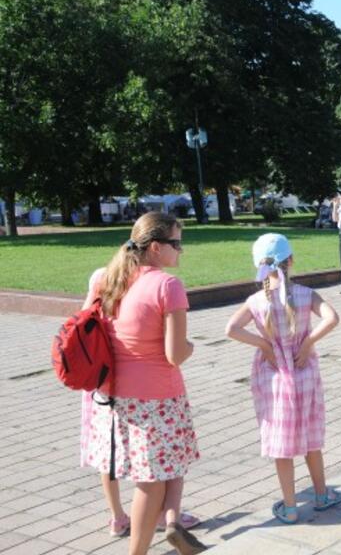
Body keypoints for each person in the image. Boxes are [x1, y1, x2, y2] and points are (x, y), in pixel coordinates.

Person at [80, 212, 204, 555]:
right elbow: (175, 354)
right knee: (152, 481)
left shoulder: (108, 279)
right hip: (159, 397)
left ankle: (174, 523)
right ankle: (149, 542)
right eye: (176, 244)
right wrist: (192, 346)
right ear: (154, 247)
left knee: (167, 466)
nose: (181, 251)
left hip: (114, 397)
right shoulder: (168, 285)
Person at [225, 233, 341, 525]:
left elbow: (231, 329)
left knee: (282, 443)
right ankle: (321, 494)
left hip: (274, 376)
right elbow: (332, 317)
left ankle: (290, 507)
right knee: (310, 437)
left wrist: (265, 345)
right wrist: (307, 343)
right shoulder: (306, 294)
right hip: (304, 373)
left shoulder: (256, 301)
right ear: (290, 260)